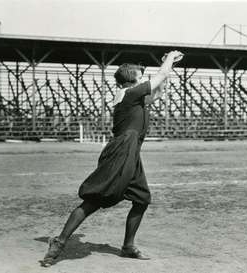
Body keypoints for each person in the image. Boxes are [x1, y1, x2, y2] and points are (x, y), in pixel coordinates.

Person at [40, 50, 184, 267]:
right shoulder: (129, 93)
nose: (143, 76)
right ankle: (58, 243)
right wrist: (170, 58)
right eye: (139, 74)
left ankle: (128, 247)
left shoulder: (132, 95)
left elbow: (159, 90)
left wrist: (166, 65)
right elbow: (159, 78)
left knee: (141, 199)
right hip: (121, 152)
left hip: (130, 152)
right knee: (94, 201)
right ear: (131, 78)